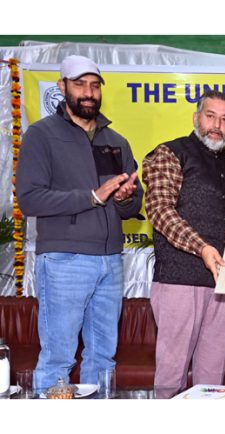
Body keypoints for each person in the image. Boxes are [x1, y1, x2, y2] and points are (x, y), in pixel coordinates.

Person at [16, 55, 143, 391]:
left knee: (103, 357)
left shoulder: (116, 141)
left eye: (94, 85)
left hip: (111, 261)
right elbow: (30, 199)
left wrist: (125, 197)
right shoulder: (40, 136)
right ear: (62, 87)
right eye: (79, 84)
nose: (88, 92)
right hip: (63, 261)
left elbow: (133, 207)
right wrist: (92, 197)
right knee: (59, 357)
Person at [142, 90, 225, 390]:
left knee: (212, 379)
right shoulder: (169, 153)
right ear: (196, 117)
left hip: (223, 283)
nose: (217, 125)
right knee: (171, 375)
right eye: (210, 116)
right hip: (179, 280)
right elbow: (160, 211)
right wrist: (201, 247)